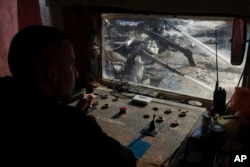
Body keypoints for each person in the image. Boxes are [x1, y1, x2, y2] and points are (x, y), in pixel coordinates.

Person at [0, 25, 136, 166]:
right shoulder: (73, 125)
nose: (76, 73)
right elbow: (125, 162)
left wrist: (73, 112)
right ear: (52, 72)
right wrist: (78, 120)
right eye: (71, 65)